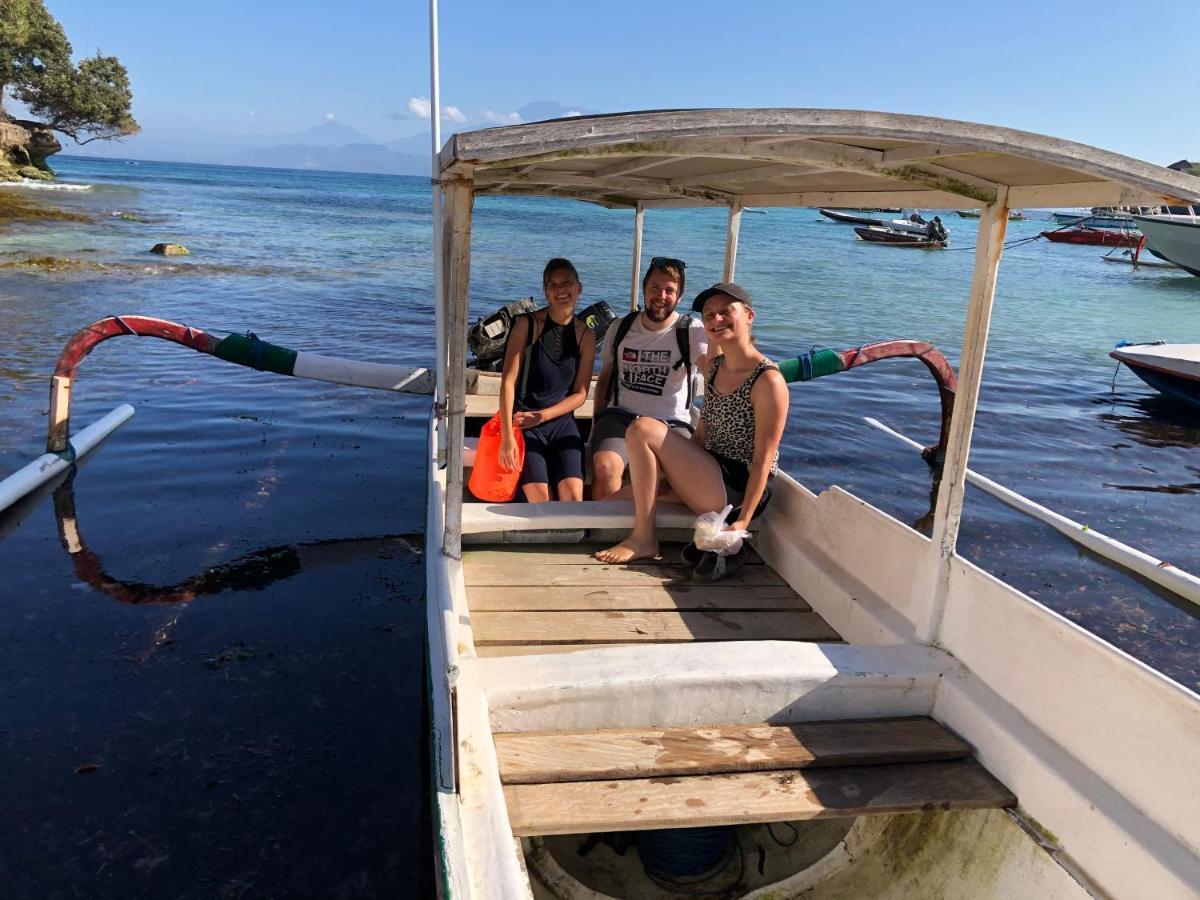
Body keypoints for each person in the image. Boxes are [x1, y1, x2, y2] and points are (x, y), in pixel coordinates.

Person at [594, 283, 788, 568]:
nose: (716, 320)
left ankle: (644, 539)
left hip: (735, 490)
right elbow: (702, 434)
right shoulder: (716, 368)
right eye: (709, 315)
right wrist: (669, 476)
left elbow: (764, 459)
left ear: (749, 316)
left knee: (642, 428)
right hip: (708, 474)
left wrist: (743, 520)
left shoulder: (768, 380)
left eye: (725, 312)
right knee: (612, 502)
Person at [589, 257, 709, 500]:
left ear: (680, 296)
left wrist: (702, 436)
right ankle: (607, 530)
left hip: (672, 422)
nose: (661, 296)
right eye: (654, 288)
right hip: (622, 416)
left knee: (680, 478)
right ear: (644, 289)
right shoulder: (621, 327)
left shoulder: (692, 331)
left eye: (669, 290)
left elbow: (715, 377)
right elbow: (605, 377)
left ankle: (644, 528)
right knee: (605, 466)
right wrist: (596, 424)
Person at [497, 258, 597, 502]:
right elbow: (508, 382)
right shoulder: (526, 324)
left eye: (567, 283)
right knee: (540, 500)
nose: (560, 290)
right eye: (552, 284)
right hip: (525, 423)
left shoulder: (586, 335)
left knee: (573, 498)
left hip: (561, 425)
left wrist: (543, 416)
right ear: (545, 291)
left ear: (579, 288)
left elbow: (580, 394)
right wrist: (507, 435)